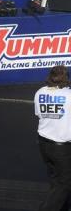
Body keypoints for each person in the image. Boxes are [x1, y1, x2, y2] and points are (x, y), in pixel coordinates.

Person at [35, 65, 71, 211]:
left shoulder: (39, 92)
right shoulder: (69, 95)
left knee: (56, 180)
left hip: (44, 143)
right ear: (65, 78)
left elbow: (39, 114)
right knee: (65, 183)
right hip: (62, 147)